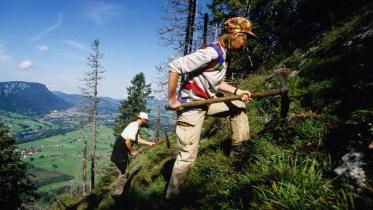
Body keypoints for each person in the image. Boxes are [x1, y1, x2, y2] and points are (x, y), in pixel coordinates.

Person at [165, 17, 257, 199]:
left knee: (238, 105)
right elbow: (175, 66)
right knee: (188, 155)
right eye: (245, 38)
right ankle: (173, 197)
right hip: (191, 107)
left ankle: (238, 151)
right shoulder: (211, 53)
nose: (245, 42)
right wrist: (172, 98)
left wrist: (237, 91)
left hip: (207, 102)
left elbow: (216, 81)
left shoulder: (224, 53)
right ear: (235, 34)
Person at [111, 112, 155, 194]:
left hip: (121, 146)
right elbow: (127, 142)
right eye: (145, 120)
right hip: (121, 147)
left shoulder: (135, 125)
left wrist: (150, 143)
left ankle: (121, 189)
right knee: (124, 170)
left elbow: (137, 139)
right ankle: (118, 192)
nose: (146, 121)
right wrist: (132, 151)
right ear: (142, 119)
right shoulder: (135, 126)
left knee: (125, 168)